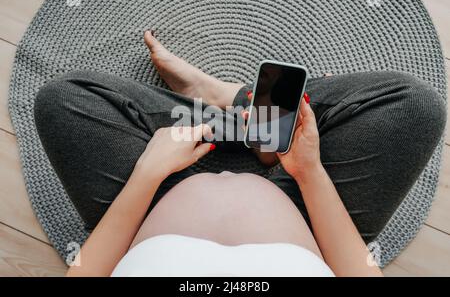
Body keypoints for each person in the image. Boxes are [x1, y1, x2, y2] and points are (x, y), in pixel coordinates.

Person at [33, 30, 446, 277]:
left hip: (150, 204)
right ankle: (246, 109)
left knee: (65, 101)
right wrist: (309, 172)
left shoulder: (150, 182)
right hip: (305, 213)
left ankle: (231, 110)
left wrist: (146, 174)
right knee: (412, 108)